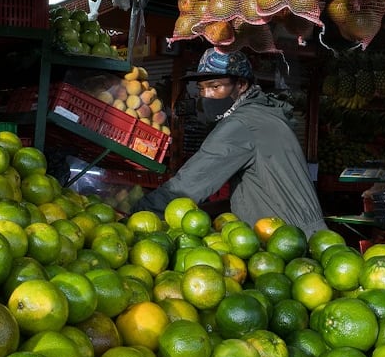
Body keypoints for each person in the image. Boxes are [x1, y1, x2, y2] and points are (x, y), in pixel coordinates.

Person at [133, 46, 328, 235]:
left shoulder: (242, 124)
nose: (206, 96)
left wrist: (137, 214)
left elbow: (191, 182)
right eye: (202, 89)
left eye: (215, 87)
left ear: (241, 85)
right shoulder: (263, 113)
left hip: (286, 238)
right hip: (297, 232)